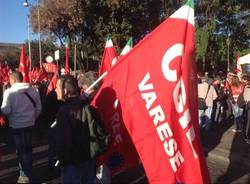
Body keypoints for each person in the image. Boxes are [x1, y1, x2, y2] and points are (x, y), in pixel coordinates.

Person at [0, 71, 42, 183]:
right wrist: (32, 118)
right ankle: (28, 171)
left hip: (16, 126)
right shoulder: (33, 90)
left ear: (12, 80)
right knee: (28, 149)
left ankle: (24, 174)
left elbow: (6, 110)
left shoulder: (9, 92)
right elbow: (39, 108)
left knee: (21, 150)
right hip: (30, 124)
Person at [54, 75, 96, 184]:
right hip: (89, 157)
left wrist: (62, 160)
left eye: (57, 87)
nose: (55, 90)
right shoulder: (86, 103)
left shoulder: (64, 112)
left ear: (65, 91)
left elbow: (64, 141)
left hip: (72, 163)